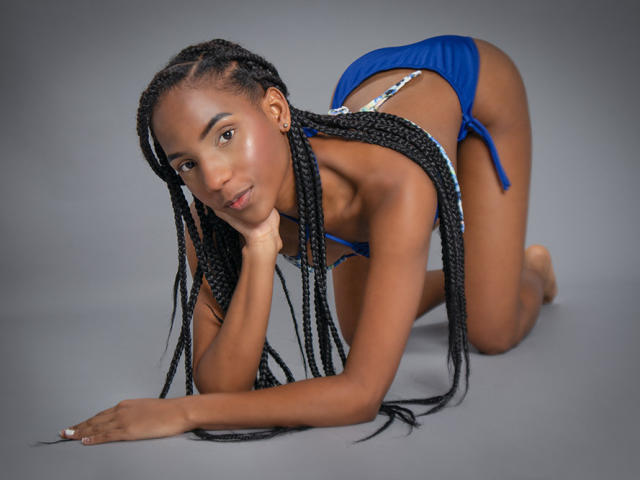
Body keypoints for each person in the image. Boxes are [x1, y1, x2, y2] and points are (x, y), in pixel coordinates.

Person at [58, 35, 557, 445]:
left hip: (473, 83)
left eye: (225, 135)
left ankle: (530, 267)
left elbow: (360, 396)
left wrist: (182, 413)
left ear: (277, 110)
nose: (213, 178)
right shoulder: (211, 215)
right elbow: (222, 385)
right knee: (359, 328)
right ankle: (472, 273)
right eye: (187, 163)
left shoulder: (395, 185)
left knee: (492, 331)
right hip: (371, 94)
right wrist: (259, 250)